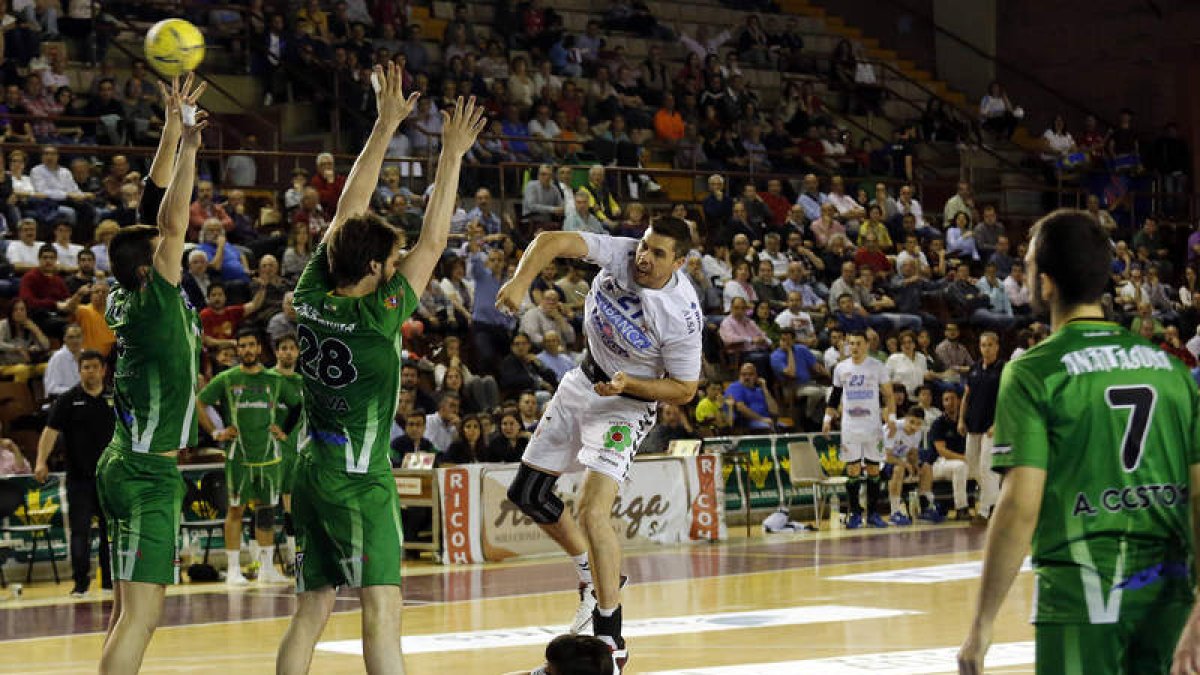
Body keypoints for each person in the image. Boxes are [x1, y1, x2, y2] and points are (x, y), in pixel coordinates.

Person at [276, 65, 485, 675]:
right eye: (391, 260)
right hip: (360, 477)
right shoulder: (377, 318)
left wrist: (385, 123)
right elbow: (434, 240)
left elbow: (349, 209)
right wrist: (450, 155)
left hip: (311, 467)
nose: (399, 266)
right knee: (382, 608)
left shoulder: (312, 293)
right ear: (372, 269)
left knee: (312, 607)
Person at [959, 210, 1200, 675]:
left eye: (1028, 264)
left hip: (1081, 594)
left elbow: (1019, 507)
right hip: (1170, 593)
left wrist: (982, 624)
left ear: (1045, 284)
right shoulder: (1172, 371)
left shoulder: (1034, 371)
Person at [495, 216, 702, 673]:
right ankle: (592, 579)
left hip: (626, 404)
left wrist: (633, 384)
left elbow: (685, 388)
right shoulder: (624, 253)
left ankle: (611, 632)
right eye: (645, 247)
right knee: (527, 494)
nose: (644, 258)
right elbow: (551, 241)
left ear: (680, 262)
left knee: (592, 509)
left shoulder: (681, 313)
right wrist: (519, 280)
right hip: (582, 381)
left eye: (658, 253)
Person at [95, 73, 206, 673]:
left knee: (124, 613)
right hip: (144, 475)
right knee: (141, 617)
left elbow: (154, 201)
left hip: (124, 461)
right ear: (150, 269)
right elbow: (171, 220)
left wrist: (171, 128)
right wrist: (190, 145)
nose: (177, 253)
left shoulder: (124, 290)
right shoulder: (157, 300)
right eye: (166, 253)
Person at [198, 330, 301, 586]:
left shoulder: (274, 380)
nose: (246, 350)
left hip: (269, 457)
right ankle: (234, 569)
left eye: (251, 345)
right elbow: (200, 402)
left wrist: (285, 431)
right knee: (236, 510)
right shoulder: (227, 378)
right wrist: (215, 432)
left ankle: (267, 568)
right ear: (237, 350)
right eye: (242, 346)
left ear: (258, 348)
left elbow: (297, 405)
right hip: (239, 456)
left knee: (267, 511)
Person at [34, 349, 114, 597]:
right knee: (80, 531)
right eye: (85, 367)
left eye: (94, 367)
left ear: (103, 370)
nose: (90, 371)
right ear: (79, 371)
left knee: (109, 532)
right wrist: (40, 461)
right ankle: (80, 584)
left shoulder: (116, 396)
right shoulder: (68, 400)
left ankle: (110, 582)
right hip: (79, 478)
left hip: (110, 478)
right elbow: (50, 432)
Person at [822, 330, 897, 529]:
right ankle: (855, 513)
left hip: (872, 426)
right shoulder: (841, 368)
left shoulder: (877, 366)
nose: (854, 347)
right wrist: (827, 419)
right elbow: (835, 397)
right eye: (851, 343)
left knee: (874, 469)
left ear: (866, 345)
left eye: (858, 343)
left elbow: (889, 395)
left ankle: (873, 513)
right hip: (850, 427)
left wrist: (891, 417)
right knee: (853, 470)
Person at [959, 331, 1004, 523]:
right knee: (973, 468)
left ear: (997, 346)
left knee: (987, 468)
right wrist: (961, 419)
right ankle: (997, 497)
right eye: (983, 345)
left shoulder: (1003, 368)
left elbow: (1007, 399)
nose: (986, 348)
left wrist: (998, 423)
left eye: (989, 345)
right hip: (973, 424)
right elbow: (966, 396)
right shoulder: (974, 368)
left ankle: (985, 511)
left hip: (991, 427)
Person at [268, 333, 304, 567]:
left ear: (299, 352)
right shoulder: (268, 378)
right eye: (283, 348)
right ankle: (261, 563)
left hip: (296, 452)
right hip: (271, 452)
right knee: (266, 506)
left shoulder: (303, 381)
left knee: (294, 509)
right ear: (276, 352)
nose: (288, 352)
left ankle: (294, 557)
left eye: (292, 348)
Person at [881, 407, 926, 525]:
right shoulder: (893, 428)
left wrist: (916, 467)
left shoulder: (918, 432)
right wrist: (906, 465)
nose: (914, 427)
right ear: (905, 419)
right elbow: (888, 457)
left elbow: (913, 453)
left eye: (918, 424)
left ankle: (926, 508)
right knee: (899, 469)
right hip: (878, 462)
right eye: (911, 422)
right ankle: (894, 512)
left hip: (898, 461)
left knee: (925, 468)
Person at [43, 322, 83, 397]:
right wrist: (78, 391)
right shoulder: (57, 358)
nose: (75, 341)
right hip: (62, 403)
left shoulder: (86, 356)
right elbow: (51, 389)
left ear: (82, 338)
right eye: (71, 337)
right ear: (64, 338)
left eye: (78, 337)